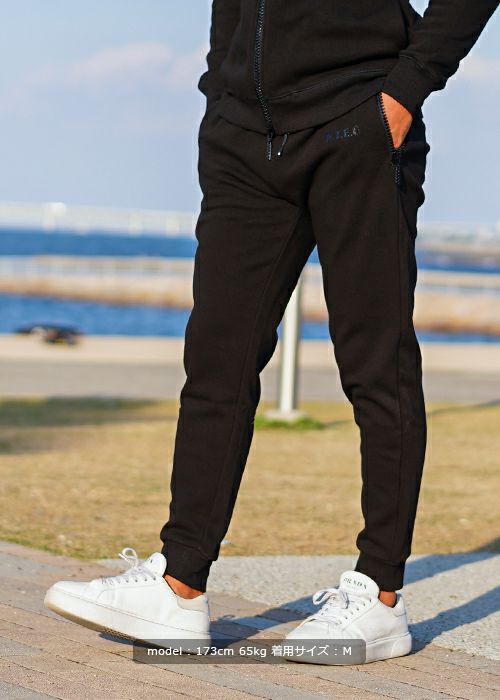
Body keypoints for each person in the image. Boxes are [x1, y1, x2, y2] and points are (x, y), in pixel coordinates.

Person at [45, 0, 498, 663]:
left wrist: (406, 90)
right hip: (243, 137)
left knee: (375, 363)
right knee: (216, 362)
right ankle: (179, 587)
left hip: (358, 120)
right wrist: (222, 93)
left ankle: (379, 597)